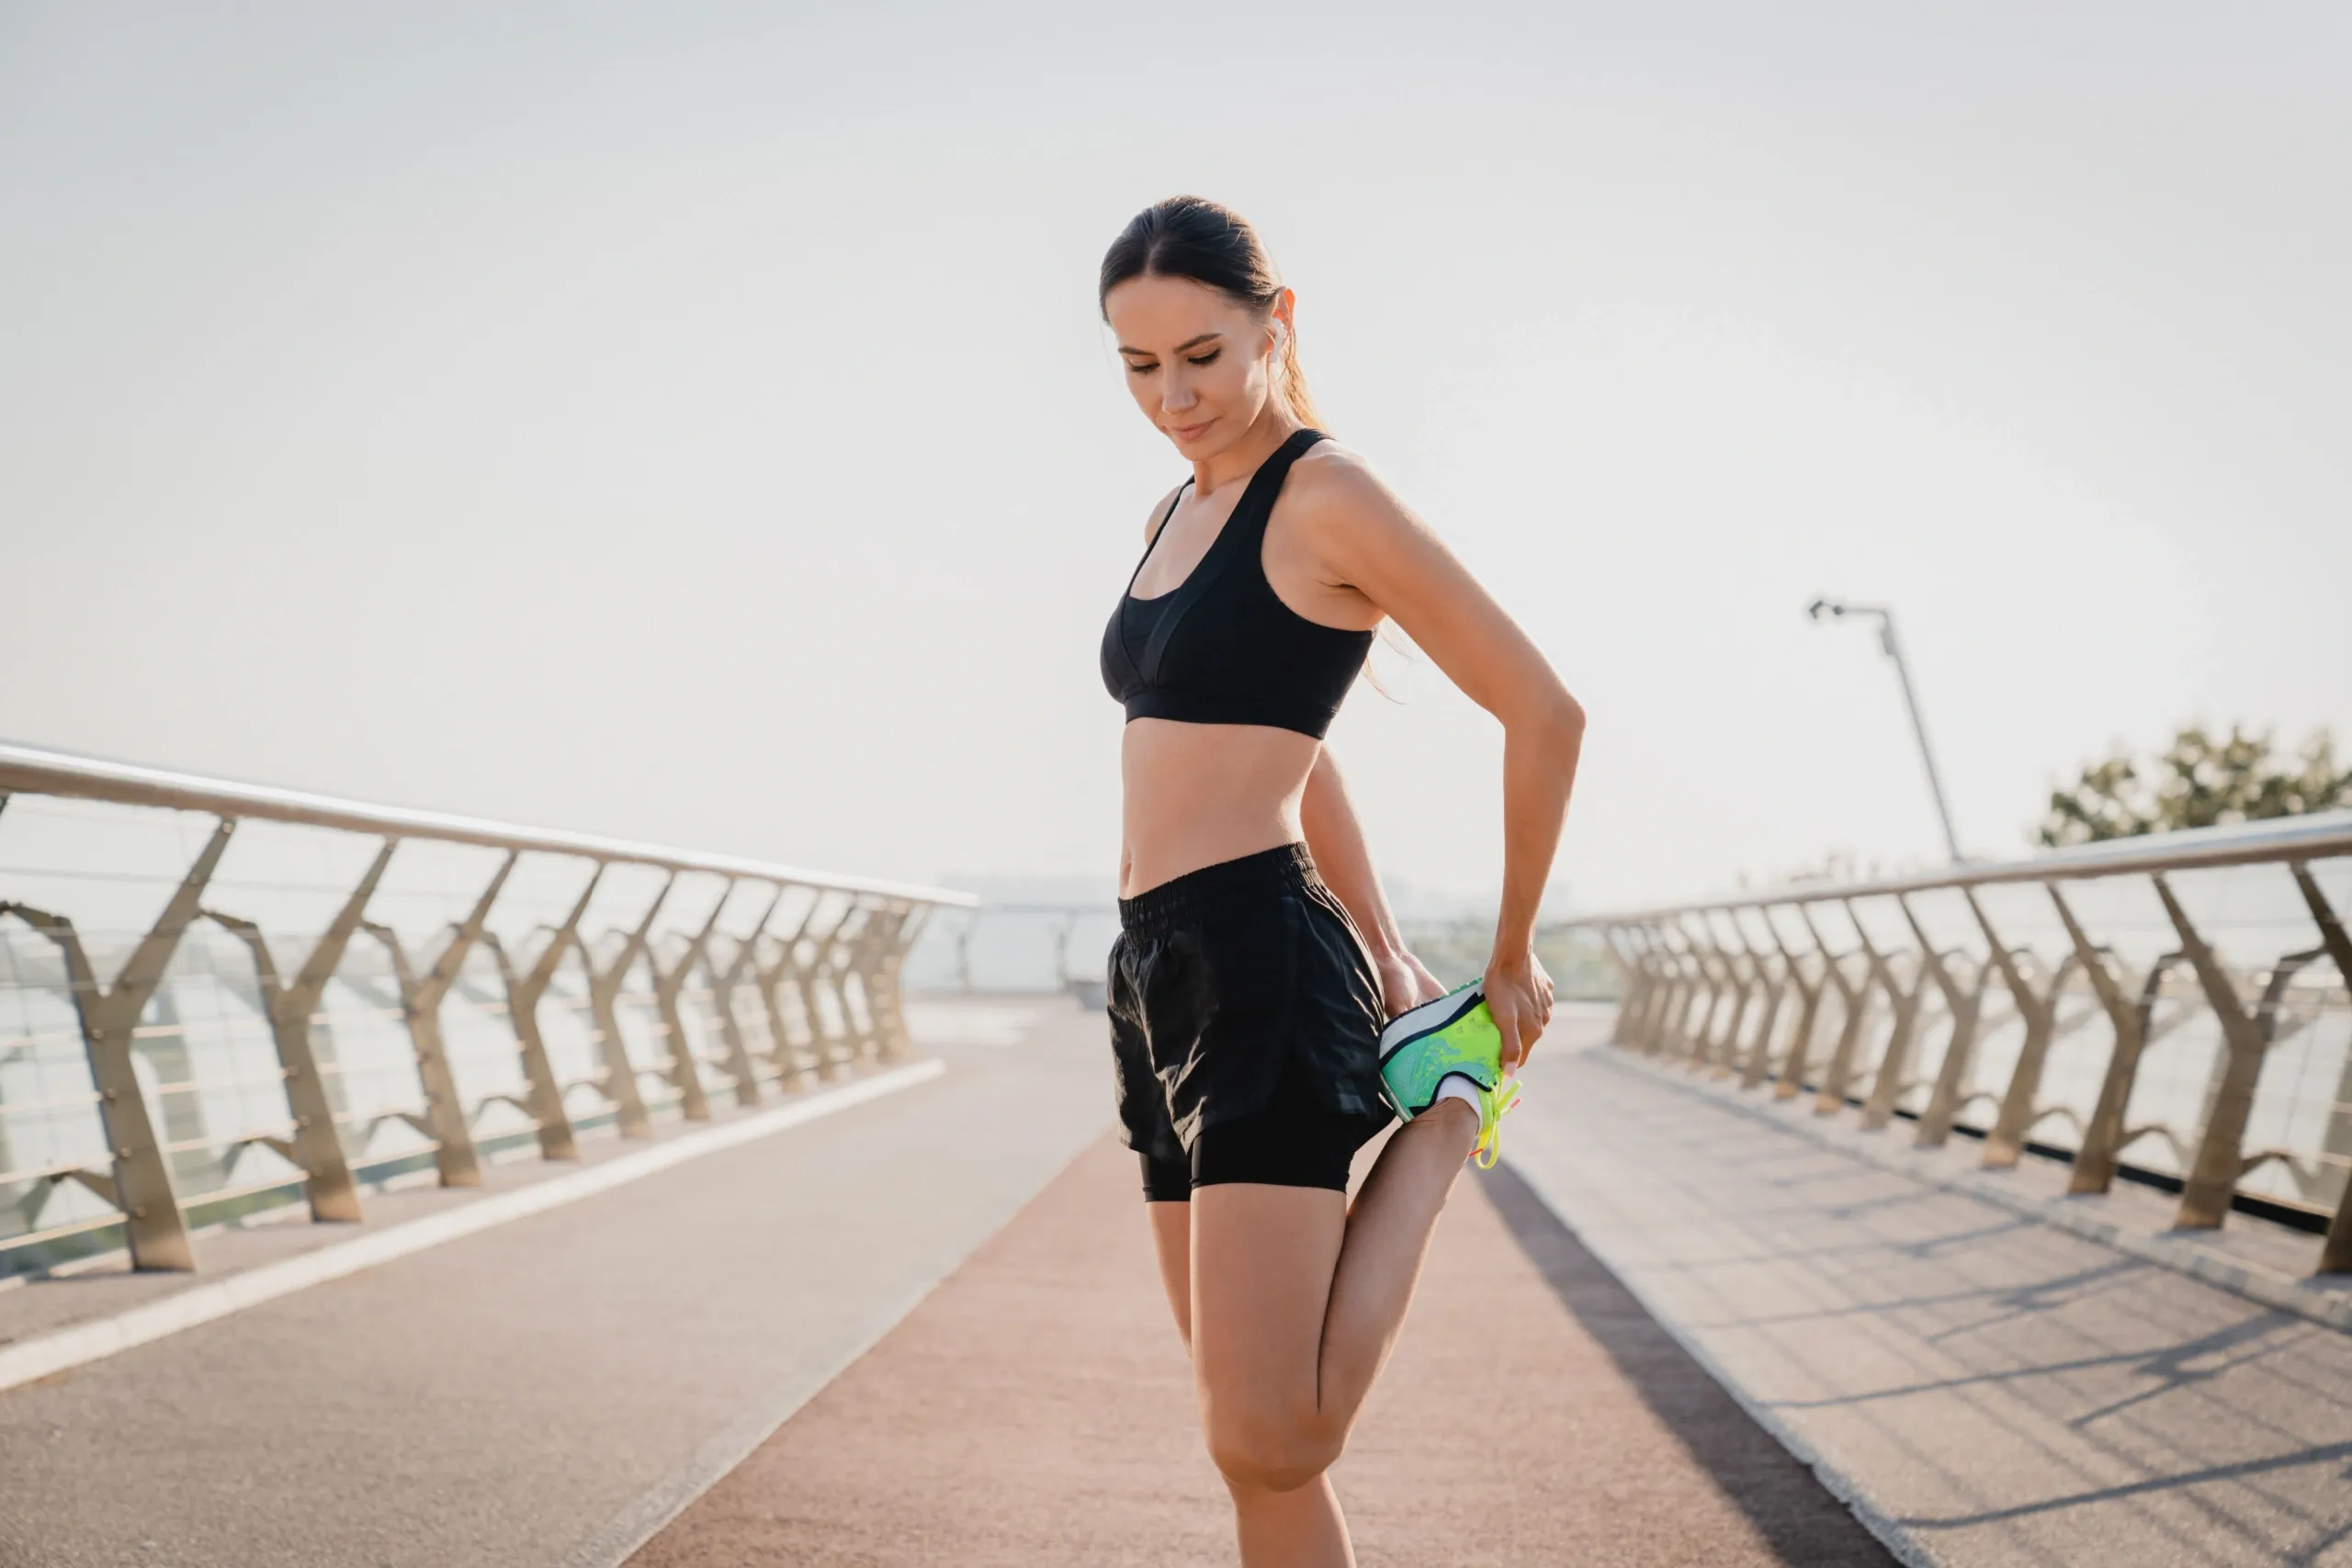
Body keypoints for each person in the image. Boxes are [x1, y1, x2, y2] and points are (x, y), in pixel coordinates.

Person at [1097, 195, 1588, 1566]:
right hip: (1153, 973)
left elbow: (1546, 710)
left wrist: (1508, 958)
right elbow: (1298, 753)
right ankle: (1435, 1084)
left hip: (1256, 962)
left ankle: (1444, 1122)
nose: (1173, 395)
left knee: (1275, 1433)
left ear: (1277, 321)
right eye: (1138, 367)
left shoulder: (1330, 494)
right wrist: (1382, 942)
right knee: (1240, 1445)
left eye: (1200, 354)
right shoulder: (1178, 507)